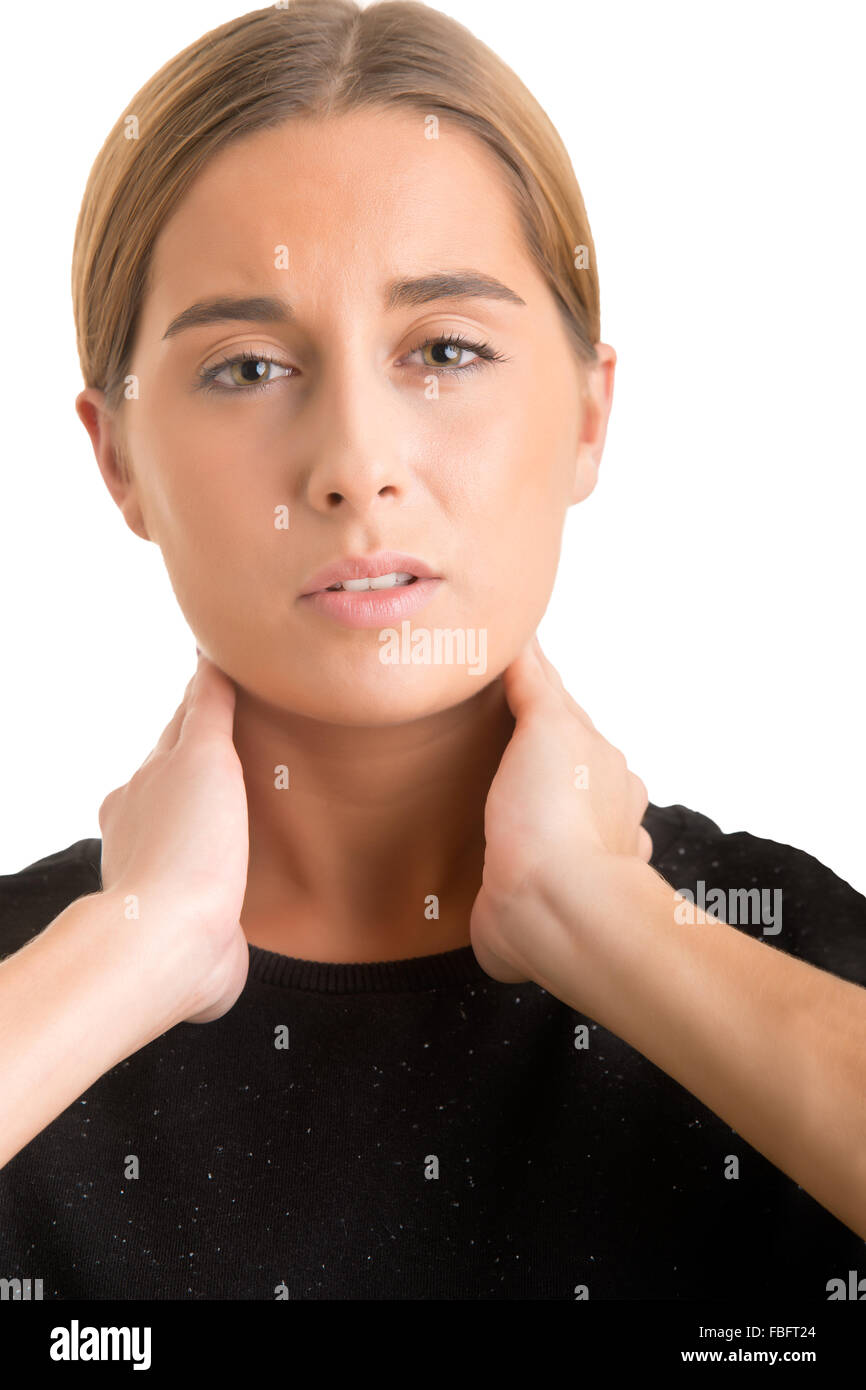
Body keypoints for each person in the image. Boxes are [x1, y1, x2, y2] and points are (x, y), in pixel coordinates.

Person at [1, 0, 864, 1301]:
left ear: (586, 414)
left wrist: (614, 928)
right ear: (116, 457)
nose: (354, 467)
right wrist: (129, 946)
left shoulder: (789, 951)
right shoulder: (32, 987)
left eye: (445, 350)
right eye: (245, 367)